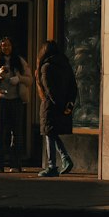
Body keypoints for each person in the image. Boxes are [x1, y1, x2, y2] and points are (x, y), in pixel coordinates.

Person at [0, 35, 32, 174]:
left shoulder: (20, 61)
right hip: (1, 99)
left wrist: (19, 79)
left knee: (16, 133)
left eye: (9, 45)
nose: (6, 48)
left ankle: (15, 165)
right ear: (0, 47)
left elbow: (30, 80)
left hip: (16, 99)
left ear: (13, 47)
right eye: (4, 45)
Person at [35, 38, 78, 178]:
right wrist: (68, 105)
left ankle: (52, 165)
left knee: (49, 134)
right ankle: (65, 158)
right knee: (52, 133)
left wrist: (58, 105)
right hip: (63, 105)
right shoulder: (66, 65)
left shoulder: (46, 67)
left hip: (51, 106)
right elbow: (73, 87)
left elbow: (49, 90)